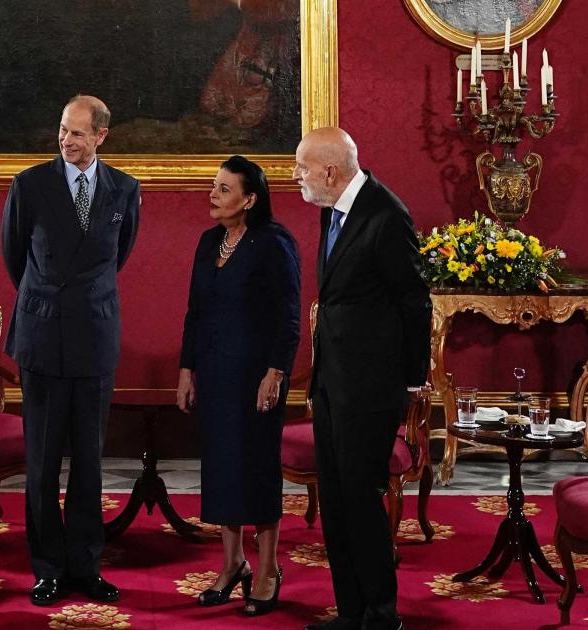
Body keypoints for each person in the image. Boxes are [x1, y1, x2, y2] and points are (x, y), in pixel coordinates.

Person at [0, 95, 141, 606]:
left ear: (102, 136)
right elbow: (15, 257)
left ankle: (86, 565)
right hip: (41, 336)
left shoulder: (125, 189)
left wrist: (82, 304)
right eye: (63, 130)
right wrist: (47, 303)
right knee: (40, 463)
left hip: (95, 338)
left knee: (89, 462)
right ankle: (48, 569)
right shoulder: (30, 185)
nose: (66, 140)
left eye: (78, 133)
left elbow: (117, 257)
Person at [294, 127, 432, 630]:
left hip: (371, 389)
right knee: (336, 500)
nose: (297, 177)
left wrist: (413, 380)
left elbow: (415, 302)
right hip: (334, 384)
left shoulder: (385, 215)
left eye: (303, 168)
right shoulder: (333, 210)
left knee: (360, 500)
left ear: (330, 170)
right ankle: (350, 611)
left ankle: (381, 613)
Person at [177, 155, 301, 616]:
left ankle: (267, 570)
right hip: (214, 374)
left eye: (224, 189)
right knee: (223, 468)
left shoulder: (274, 243)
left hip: (256, 377)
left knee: (257, 469)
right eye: (215, 185)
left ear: (250, 199)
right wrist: (186, 371)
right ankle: (233, 564)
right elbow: (195, 311)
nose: (213, 194)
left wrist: (275, 373)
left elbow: (289, 316)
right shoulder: (209, 241)